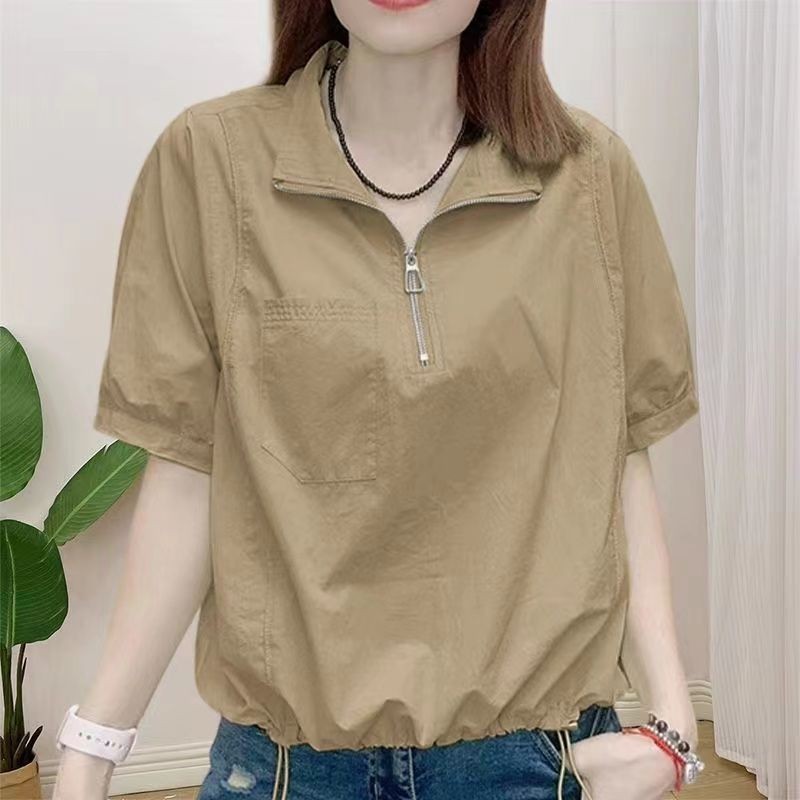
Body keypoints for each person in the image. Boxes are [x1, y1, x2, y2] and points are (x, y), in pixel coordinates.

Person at [53, 1, 705, 799]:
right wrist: (90, 750)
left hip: (535, 763)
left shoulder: (590, 177)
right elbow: (189, 469)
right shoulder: (210, 162)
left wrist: (672, 729)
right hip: (287, 772)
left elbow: (618, 453)